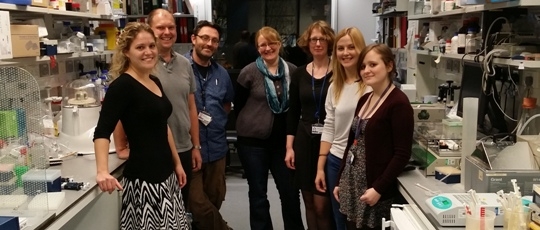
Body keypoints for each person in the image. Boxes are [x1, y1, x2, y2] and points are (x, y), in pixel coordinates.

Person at [93, 22, 189, 229]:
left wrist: (177, 163)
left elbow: (163, 126)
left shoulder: (154, 80)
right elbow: (102, 131)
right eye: (140, 47)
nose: (148, 52)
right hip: (144, 182)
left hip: (167, 177)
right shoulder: (122, 86)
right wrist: (102, 170)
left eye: (151, 46)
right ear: (126, 52)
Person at [113, 8, 203, 210]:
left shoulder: (185, 64)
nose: (167, 32)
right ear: (150, 30)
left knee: (180, 210)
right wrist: (120, 146)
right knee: (156, 212)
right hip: (153, 154)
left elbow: (191, 106)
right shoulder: (141, 65)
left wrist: (195, 146)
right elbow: (118, 110)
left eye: (171, 27)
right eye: (160, 27)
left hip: (183, 148)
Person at [334, 43, 413, 230]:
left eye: (372, 65)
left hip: (374, 187)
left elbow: (402, 154)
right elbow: (351, 143)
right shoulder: (365, 99)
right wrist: (340, 180)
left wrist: (378, 188)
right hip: (353, 182)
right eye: (363, 66)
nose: (366, 70)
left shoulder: (398, 104)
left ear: (389, 66)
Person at [234, 26, 304, 230]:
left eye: (271, 43)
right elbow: (238, 106)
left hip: (284, 143)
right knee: (258, 194)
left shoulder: (292, 70)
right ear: (257, 48)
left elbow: (297, 105)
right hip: (252, 143)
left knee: (290, 192)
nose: (268, 48)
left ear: (279, 44)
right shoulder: (249, 72)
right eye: (262, 44)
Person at [313, 27, 369, 230]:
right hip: (336, 161)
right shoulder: (334, 85)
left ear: (361, 49)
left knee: (360, 222)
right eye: (340, 48)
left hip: (364, 164)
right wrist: (320, 167)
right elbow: (329, 127)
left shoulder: (370, 84)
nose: (346, 53)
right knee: (340, 221)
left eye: (351, 47)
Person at [184, 20, 234, 230]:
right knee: (197, 205)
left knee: (215, 199)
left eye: (214, 40)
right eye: (205, 38)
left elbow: (227, 104)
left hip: (217, 148)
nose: (209, 43)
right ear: (194, 39)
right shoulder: (181, 68)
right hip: (189, 149)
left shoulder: (221, 73)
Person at [285, 20, 335, 230]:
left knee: (322, 205)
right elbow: (293, 111)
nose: (317, 43)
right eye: (314, 39)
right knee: (308, 202)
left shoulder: (339, 71)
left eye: (322, 38)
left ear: (329, 41)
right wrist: (289, 147)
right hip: (304, 140)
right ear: (308, 42)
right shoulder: (299, 73)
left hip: (331, 141)